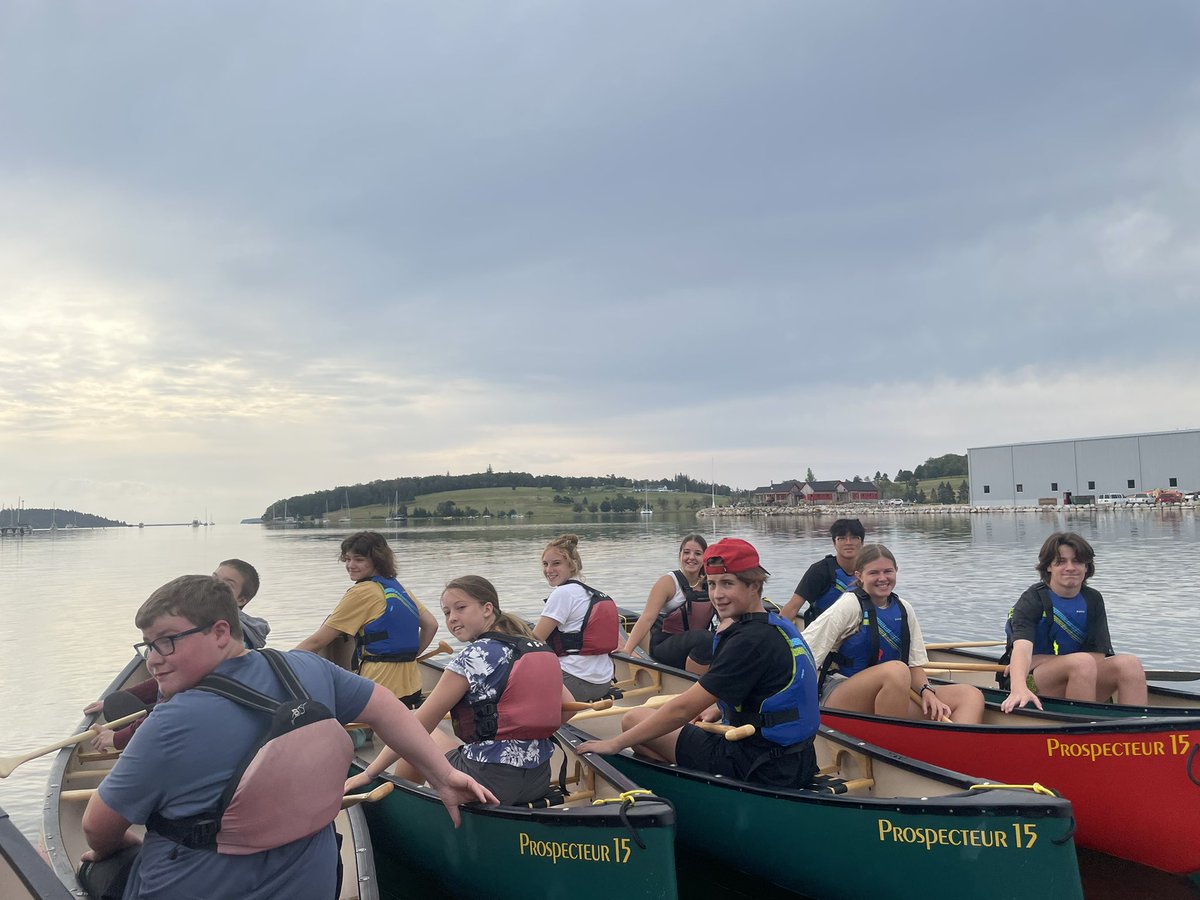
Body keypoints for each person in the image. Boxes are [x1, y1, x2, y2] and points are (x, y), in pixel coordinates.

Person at [80, 574, 495, 900]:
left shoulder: (169, 723)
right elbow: (387, 707)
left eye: (166, 642)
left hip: (199, 887)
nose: (154, 660)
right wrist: (442, 775)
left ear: (221, 632)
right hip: (313, 884)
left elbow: (97, 825)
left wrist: (114, 847)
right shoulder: (306, 667)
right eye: (148, 646)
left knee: (93, 866)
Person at [577, 538, 820, 789]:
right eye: (712, 584)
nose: (717, 595)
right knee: (656, 729)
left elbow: (682, 710)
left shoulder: (748, 640)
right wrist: (718, 709)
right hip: (797, 758)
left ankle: (689, 790)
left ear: (754, 585)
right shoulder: (778, 625)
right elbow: (768, 686)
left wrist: (615, 743)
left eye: (727, 583)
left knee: (633, 720)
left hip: (759, 764)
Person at [346, 576, 573, 805]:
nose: (452, 618)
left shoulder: (476, 655)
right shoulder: (537, 648)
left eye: (460, 608)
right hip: (537, 780)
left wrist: (370, 773)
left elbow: (416, 728)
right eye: (447, 612)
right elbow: (568, 708)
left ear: (487, 609)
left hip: (487, 783)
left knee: (415, 729)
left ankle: (403, 805)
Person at [86, 558, 272, 753]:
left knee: (120, 706)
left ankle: (142, 746)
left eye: (227, 585)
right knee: (117, 701)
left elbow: (172, 710)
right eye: (214, 578)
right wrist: (128, 696)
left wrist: (118, 738)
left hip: (195, 727)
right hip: (190, 717)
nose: (215, 586)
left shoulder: (223, 645)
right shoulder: (221, 635)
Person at [801, 543, 984, 723]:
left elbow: (914, 665)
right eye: (874, 573)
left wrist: (927, 691)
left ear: (896, 571)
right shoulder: (850, 605)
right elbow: (805, 651)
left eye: (888, 571)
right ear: (859, 576)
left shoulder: (904, 609)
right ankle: (891, 737)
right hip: (841, 694)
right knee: (897, 671)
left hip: (892, 692)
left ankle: (952, 741)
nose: (882, 578)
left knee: (970, 695)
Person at [1000, 532, 1147, 712]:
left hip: (1080, 671)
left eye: (1077, 561)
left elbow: (1098, 656)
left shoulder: (1092, 599)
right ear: (1049, 567)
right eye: (1061, 562)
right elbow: (1022, 649)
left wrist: (1041, 659)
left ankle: (1136, 724)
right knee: (1082, 662)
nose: (1070, 568)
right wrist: (1018, 689)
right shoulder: (1032, 599)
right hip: (1029, 679)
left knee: (1130, 664)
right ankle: (1083, 724)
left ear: (1086, 567)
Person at [296, 531, 438, 708]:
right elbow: (431, 625)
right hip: (412, 688)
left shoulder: (360, 593)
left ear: (378, 560)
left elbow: (317, 641)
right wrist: (410, 657)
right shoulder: (399, 590)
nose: (350, 565)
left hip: (378, 689)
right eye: (347, 559)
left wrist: (284, 664)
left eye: (359, 560)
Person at [532, 534, 619, 701]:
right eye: (545, 564)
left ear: (571, 566)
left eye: (556, 563)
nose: (549, 570)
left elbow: (535, 640)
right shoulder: (589, 593)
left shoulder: (562, 593)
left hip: (574, 683)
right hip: (603, 682)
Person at [621, 534, 716, 673]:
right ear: (680, 555)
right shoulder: (668, 582)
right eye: (686, 552)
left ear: (704, 558)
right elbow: (647, 619)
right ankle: (695, 681)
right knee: (705, 638)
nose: (691, 557)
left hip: (697, 647)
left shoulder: (710, 583)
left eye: (697, 554)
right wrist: (627, 650)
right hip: (665, 647)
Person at [780, 519, 865, 626]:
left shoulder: (870, 571)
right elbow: (793, 607)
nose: (848, 542)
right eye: (842, 538)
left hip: (858, 629)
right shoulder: (819, 571)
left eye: (854, 538)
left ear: (862, 542)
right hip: (823, 631)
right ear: (834, 543)